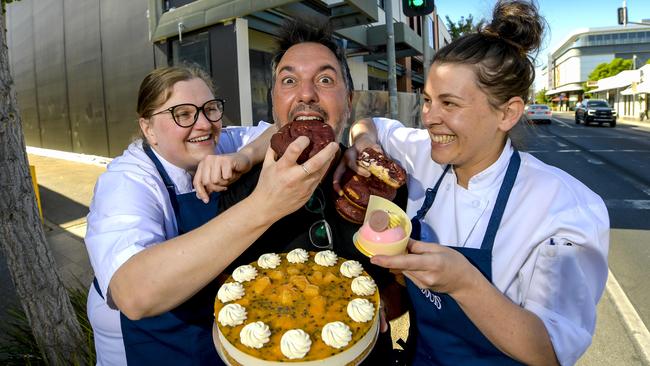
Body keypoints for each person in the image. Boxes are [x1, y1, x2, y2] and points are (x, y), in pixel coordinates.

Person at [336, 1, 609, 365]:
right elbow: (371, 124)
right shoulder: (425, 155)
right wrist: (365, 147)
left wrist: (463, 283)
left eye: (449, 104)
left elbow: (550, 351)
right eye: (428, 101)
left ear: (507, 113)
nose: (430, 118)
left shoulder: (564, 206)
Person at [85, 65, 339, 365]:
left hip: (220, 339)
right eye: (182, 114)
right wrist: (264, 206)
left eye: (210, 109)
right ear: (148, 128)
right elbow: (134, 294)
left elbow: (276, 129)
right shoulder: (126, 182)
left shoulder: (219, 143)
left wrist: (243, 156)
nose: (203, 124)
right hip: (155, 350)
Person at [216, 19, 406, 364]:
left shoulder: (377, 188)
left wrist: (386, 305)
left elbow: (397, 283)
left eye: (325, 80)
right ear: (274, 102)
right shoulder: (238, 190)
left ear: (348, 101)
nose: (306, 94)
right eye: (289, 81)